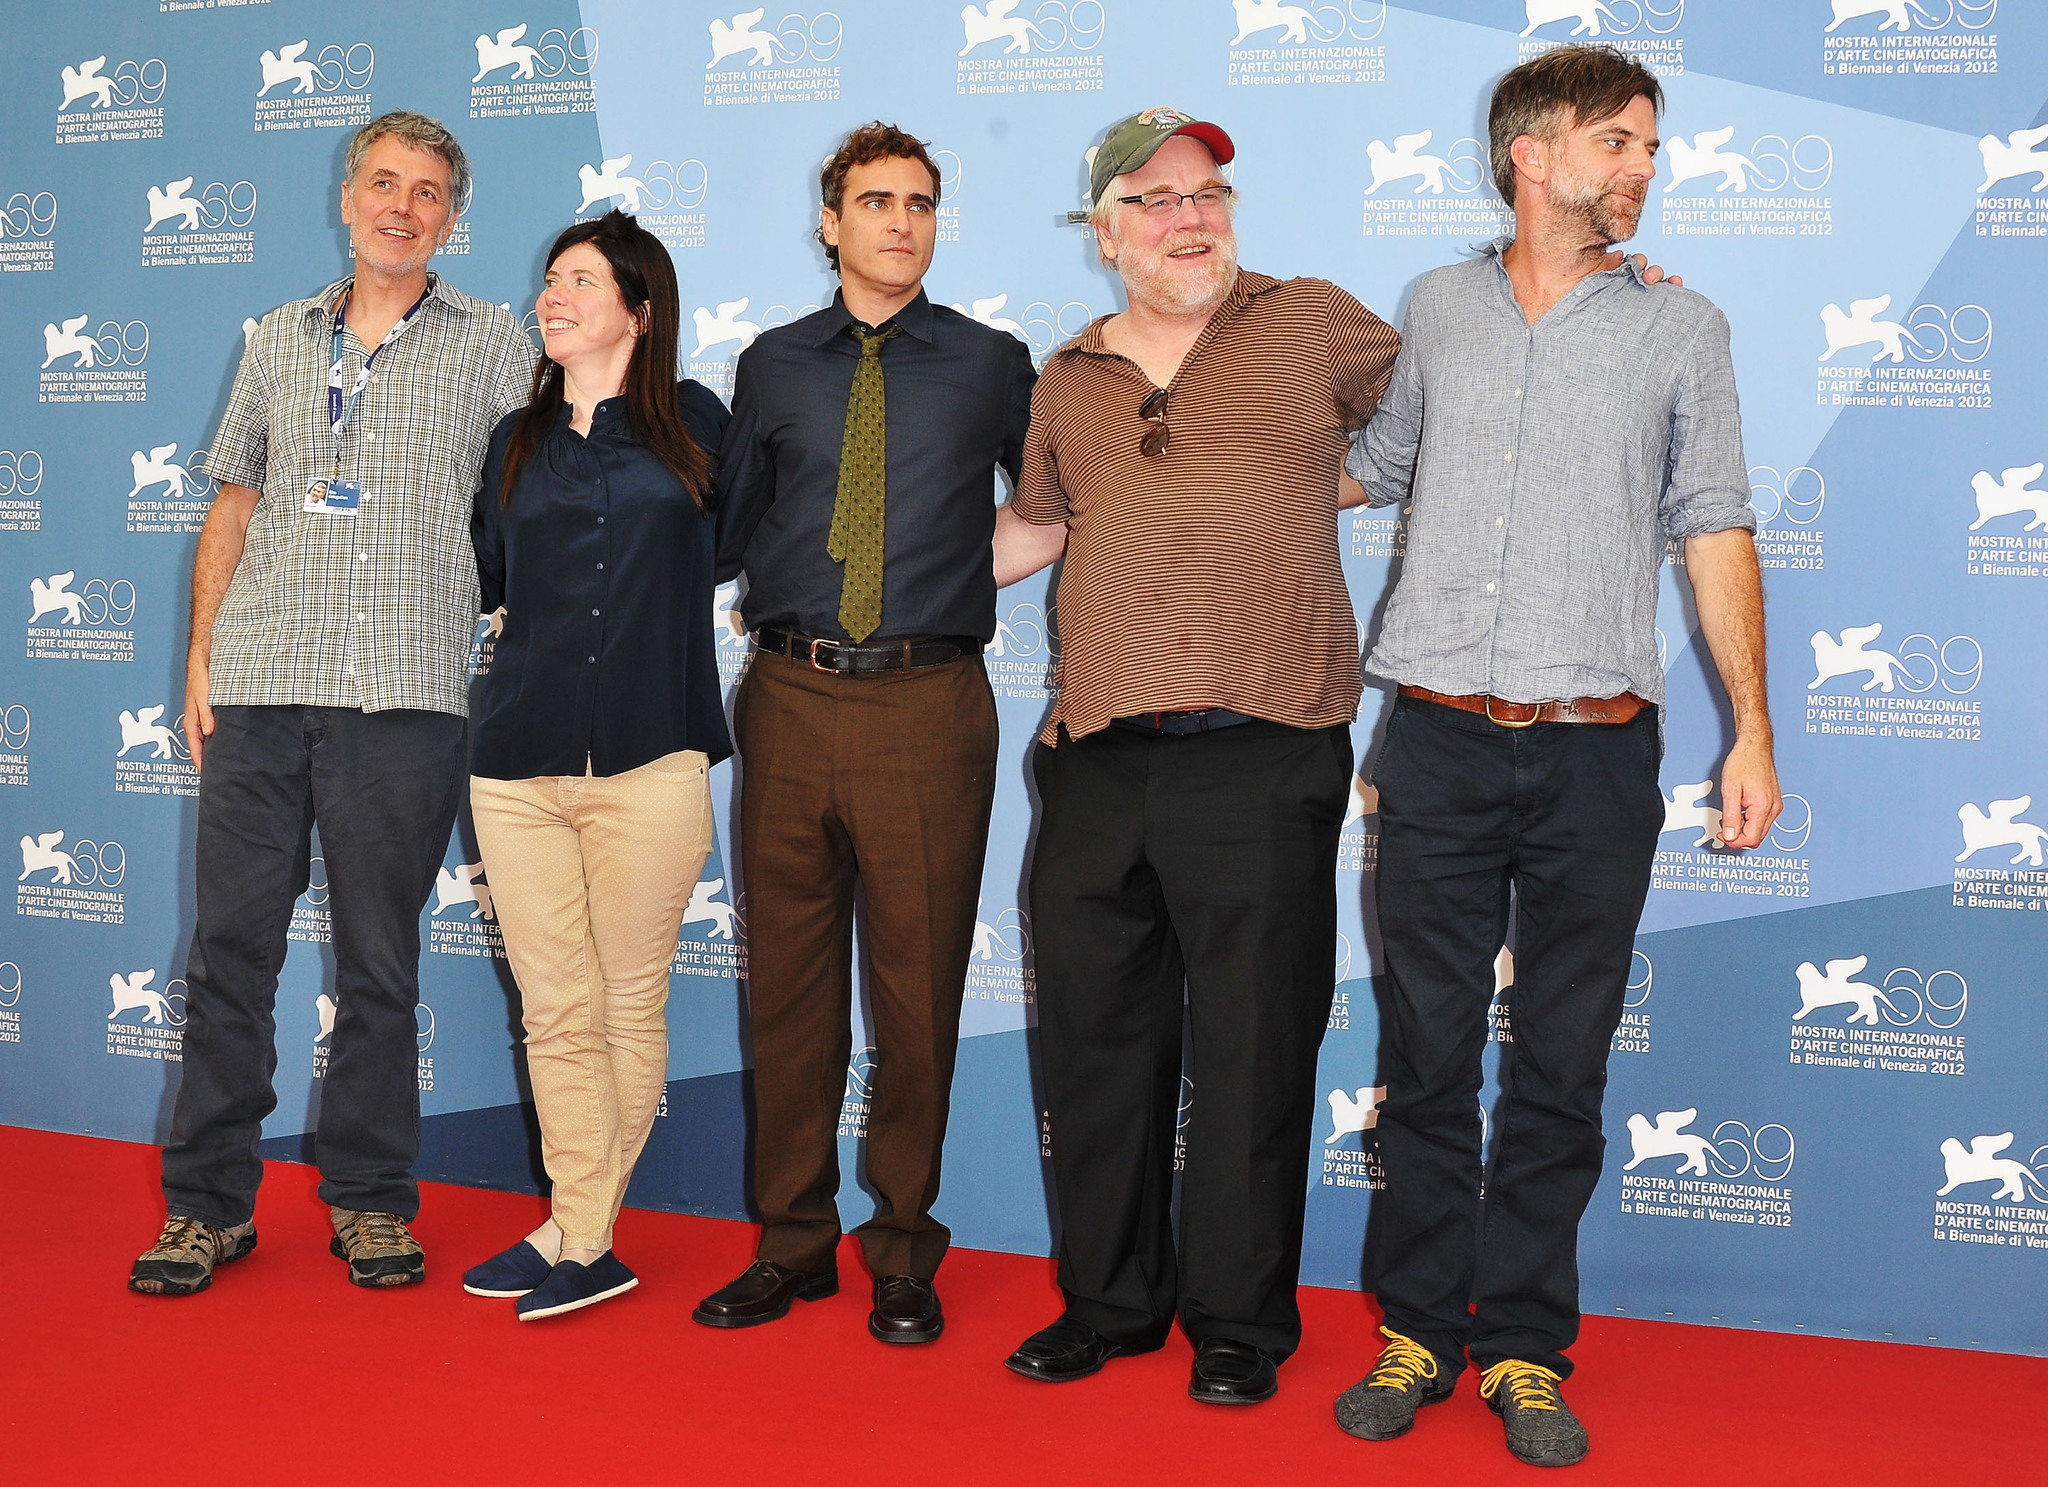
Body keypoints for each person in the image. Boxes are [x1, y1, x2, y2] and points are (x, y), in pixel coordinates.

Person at [1331, 46, 1779, 1467]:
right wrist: (1209, 438)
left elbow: (1715, 523)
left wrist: (1754, 726)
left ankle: (1523, 1343)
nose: (1642, 165)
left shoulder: (1681, 326)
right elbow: (1375, 461)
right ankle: (1416, 1329)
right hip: (1440, 739)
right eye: (1618, 141)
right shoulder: (1434, 309)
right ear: (1533, 152)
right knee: (1425, 1056)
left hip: (1598, 753)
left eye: (1651, 144)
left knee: (1563, 1066)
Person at [991, 107, 1400, 1405]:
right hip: (1101, 751)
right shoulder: (1066, 379)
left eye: (1207, 191)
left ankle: (1237, 1322)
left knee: (1252, 1054)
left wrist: (1591, 300)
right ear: (1107, 232)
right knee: (1098, 1053)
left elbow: (1457, 407)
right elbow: (1033, 533)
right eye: (1156, 198)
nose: (1190, 215)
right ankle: (1111, 1303)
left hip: (1264, 747)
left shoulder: (1313, 320)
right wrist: (855, 577)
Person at [129, 112, 536, 1295]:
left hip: (404, 695)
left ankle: (367, 1199)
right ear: (346, 196)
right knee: (229, 957)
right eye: (383, 182)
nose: (402, 206)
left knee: (379, 965)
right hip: (257, 690)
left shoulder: (498, 346)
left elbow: (538, 499)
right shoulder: (271, 337)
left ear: (453, 216)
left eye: (428, 191)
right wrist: (200, 657)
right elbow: (233, 503)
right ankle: (205, 1205)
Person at [693, 123, 1035, 1345]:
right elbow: (723, 531)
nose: (900, 219)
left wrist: (972, 573)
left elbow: (1059, 492)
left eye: (921, 202)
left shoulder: (993, 362)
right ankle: (791, 1243)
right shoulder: (770, 364)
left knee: (914, 989)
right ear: (829, 221)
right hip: (784, 697)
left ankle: (900, 1246)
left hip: (929, 705)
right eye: (874, 200)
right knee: (785, 991)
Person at [458, 212, 730, 1321]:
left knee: (625, 1002)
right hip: (514, 763)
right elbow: (486, 573)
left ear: (638, 306)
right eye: (549, 277)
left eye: (578, 279)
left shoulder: (701, 424)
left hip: (651, 759)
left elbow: (744, 542)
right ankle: (583, 1231)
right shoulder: (513, 439)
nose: (551, 294)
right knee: (553, 1010)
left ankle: (579, 1230)